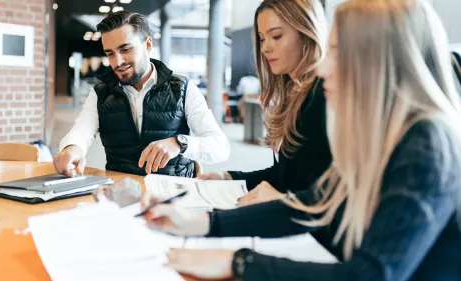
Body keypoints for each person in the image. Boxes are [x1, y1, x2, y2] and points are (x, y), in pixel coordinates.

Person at [142, 0, 461, 280]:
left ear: (380, 61)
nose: (322, 68)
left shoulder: (426, 146)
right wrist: (199, 222)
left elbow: (369, 274)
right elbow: (313, 203)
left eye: (336, 52)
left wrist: (238, 262)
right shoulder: (384, 134)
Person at [53, 11, 230, 178]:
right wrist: (72, 147)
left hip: (172, 194)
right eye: (110, 54)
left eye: (125, 49)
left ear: (147, 44)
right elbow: (81, 130)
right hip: (122, 192)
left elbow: (220, 148)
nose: (118, 62)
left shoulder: (183, 89)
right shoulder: (101, 93)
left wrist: (180, 143)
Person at [199, 0, 331, 206]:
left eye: (276, 36)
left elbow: (335, 194)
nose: (266, 48)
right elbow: (286, 176)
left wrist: (284, 201)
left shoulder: (325, 94)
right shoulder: (293, 94)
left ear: (306, 32)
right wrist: (229, 177)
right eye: (262, 39)